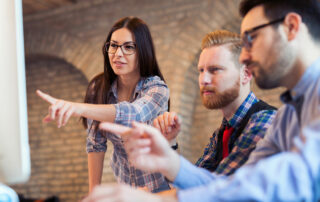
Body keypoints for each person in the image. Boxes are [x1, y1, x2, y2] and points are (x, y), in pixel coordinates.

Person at [83, 0, 320, 201]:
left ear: (291, 27)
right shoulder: (289, 114)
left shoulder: (274, 117)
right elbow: (229, 183)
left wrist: (154, 199)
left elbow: (291, 179)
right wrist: (168, 159)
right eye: (200, 70)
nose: (246, 56)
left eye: (252, 38)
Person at [37, 16, 171, 193]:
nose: (118, 54)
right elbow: (95, 144)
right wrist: (94, 194)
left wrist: (77, 108)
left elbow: (134, 114)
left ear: (143, 52)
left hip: (161, 188)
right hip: (125, 186)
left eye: (128, 47)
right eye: (113, 45)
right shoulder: (99, 88)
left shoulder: (157, 89)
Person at [153, 30, 276, 175]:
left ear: (246, 74)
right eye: (201, 70)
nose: (203, 80)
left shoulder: (266, 122)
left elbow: (215, 188)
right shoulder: (221, 133)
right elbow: (193, 181)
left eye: (215, 70)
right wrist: (170, 142)